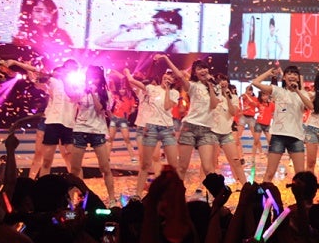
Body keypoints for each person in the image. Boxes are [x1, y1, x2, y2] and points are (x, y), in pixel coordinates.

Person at [157, 55, 220, 179]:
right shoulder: (193, 85)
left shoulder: (215, 87)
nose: (203, 70)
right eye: (199, 69)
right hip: (189, 127)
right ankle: (177, 191)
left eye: (204, 68)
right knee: (182, 167)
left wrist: (211, 86)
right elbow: (180, 76)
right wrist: (165, 58)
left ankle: (213, 191)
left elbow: (213, 105)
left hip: (206, 130)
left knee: (208, 168)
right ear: (195, 73)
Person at [124, 67, 180, 197]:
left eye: (172, 77)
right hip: (151, 128)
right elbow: (133, 82)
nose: (168, 77)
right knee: (145, 164)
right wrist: (127, 73)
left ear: (174, 81)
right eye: (167, 74)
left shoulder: (174, 93)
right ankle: (138, 194)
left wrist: (167, 90)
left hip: (167, 129)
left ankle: (173, 193)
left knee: (173, 164)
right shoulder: (151, 88)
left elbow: (167, 106)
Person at [252, 65, 314, 182]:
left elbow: (311, 107)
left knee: (300, 176)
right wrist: (268, 73)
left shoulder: (303, 93)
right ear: (284, 77)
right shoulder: (278, 91)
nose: (292, 76)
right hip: (278, 136)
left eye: (295, 74)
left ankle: (299, 195)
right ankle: (265, 194)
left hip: (296, 137)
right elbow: (255, 83)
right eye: (289, 74)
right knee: (270, 173)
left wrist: (297, 91)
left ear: (298, 78)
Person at [69, 65, 116, 205]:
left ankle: (112, 199)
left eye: (95, 77)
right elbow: (72, 98)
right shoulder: (81, 90)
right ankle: (71, 200)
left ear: (100, 78)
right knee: (75, 169)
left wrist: (94, 93)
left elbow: (100, 108)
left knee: (105, 167)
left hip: (97, 131)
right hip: (80, 130)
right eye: (90, 76)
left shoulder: (105, 94)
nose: (92, 80)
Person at [94, 8, 189, 53]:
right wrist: (125, 28)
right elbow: (100, 42)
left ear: (178, 27)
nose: (167, 27)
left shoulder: (179, 44)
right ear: (155, 24)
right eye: (162, 23)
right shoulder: (144, 42)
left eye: (172, 23)